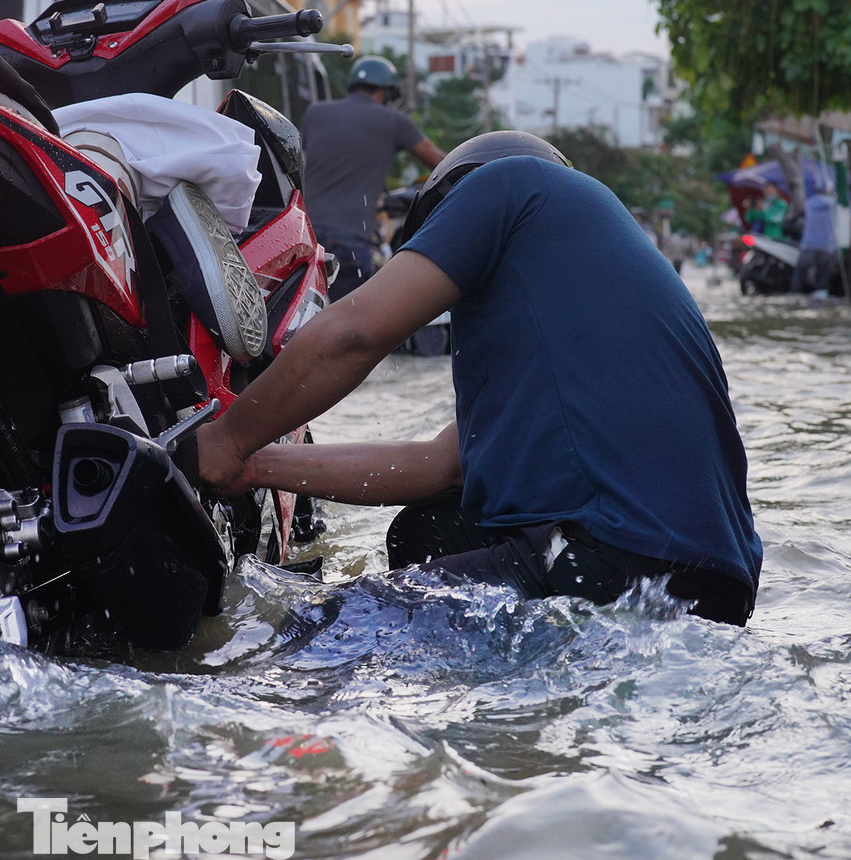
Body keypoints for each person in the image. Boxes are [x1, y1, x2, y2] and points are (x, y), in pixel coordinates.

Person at [197, 131, 762, 626]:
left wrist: (227, 438)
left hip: (615, 556)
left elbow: (354, 335)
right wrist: (254, 466)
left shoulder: (509, 187)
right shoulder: (592, 273)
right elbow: (437, 468)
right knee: (427, 531)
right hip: (714, 588)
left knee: (312, 637)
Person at [300, 56, 445, 300]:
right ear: (386, 93)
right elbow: (444, 164)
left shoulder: (315, 113)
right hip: (348, 241)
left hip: (304, 234)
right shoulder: (395, 122)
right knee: (347, 324)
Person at [792, 183, 838, 295]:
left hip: (808, 245)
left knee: (800, 273)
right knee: (822, 275)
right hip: (826, 246)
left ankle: (794, 293)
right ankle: (820, 294)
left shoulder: (809, 203)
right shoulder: (834, 205)